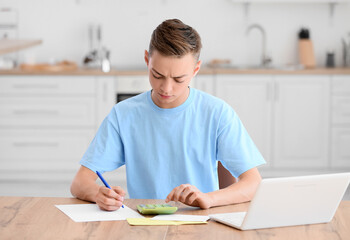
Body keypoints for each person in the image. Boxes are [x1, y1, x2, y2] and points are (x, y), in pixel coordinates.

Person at [71, 19, 265, 211]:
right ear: (147, 60)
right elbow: (79, 183)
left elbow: (253, 183)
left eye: (179, 79)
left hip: (201, 222)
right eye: (157, 75)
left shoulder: (218, 113)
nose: (166, 88)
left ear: (196, 69)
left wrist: (209, 198)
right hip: (144, 223)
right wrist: (98, 194)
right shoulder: (124, 114)